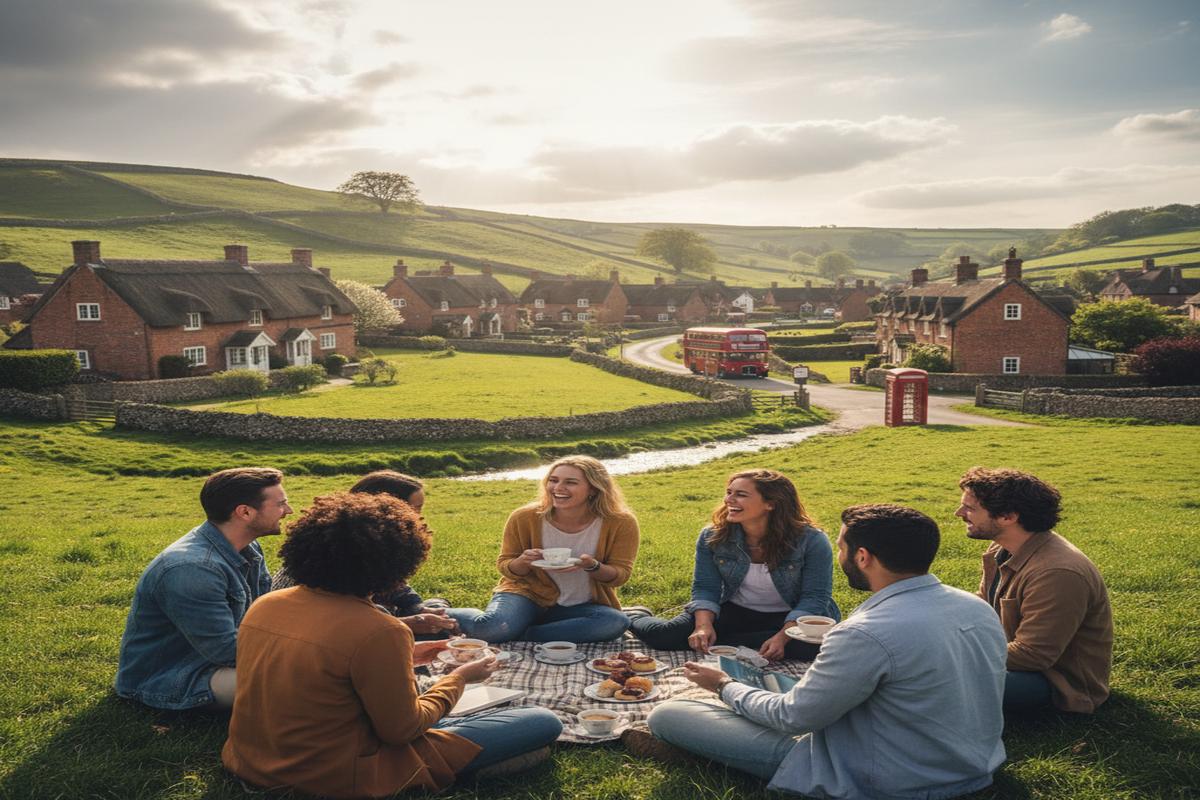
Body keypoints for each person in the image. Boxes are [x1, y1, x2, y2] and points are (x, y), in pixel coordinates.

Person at [643, 504, 1008, 800]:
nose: (839, 555)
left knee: (670, 714)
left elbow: (793, 718)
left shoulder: (864, 632)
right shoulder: (975, 607)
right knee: (777, 691)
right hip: (973, 765)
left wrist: (723, 685)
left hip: (884, 778)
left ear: (862, 557)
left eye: (842, 547)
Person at [222, 492, 562, 797]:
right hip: (336, 774)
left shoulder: (268, 604)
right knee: (541, 721)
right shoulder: (379, 629)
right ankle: (461, 769)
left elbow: (321, 666)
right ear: (397, 564)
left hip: (251, 760)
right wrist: (458, 679)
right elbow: (402, 731)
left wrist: (408, 656)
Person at [115, 467, 291, 710]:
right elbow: (227, 651)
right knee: (301, 681)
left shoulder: (247, 547)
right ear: (245, 512)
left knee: (318, 673)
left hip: (213, 659)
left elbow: (260, 617)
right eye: (281, 504)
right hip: (176, 675)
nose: (288, 511)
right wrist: (300, 655)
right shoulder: (193, 569)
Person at [630, 469, 839, 661]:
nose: (728, 499)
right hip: (735, 609)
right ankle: (633, 615)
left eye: (740, 494)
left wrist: (782, 637)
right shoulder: (712, 536)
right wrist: (703, 626)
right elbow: (706, 587)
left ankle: (733, 639)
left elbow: (815, 597)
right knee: (665, 636)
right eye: (729, 492)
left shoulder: (811, 540)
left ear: (771, 503)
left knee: (812, 648)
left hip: (791, 616)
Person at [957, 466, 1113, 713]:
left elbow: (1033, 654)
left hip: (1054, 682)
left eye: (970, 508)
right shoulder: (1001, 548)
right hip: (1014, 662)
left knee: (940, 680)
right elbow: (983, 606)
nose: (959, 513)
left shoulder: (1057, 573)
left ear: (1008, 517)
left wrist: (956, 653)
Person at [449, 455, 638, 643]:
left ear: (594, 489)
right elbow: (505, 565)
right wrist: (523, 562)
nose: (558, 488)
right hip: (526, 595)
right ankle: (437, 611)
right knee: (491, 629)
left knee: (615, 622)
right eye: (553, 480)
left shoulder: (620, 522)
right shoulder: (525, 517)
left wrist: (593, 566)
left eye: (570, 482)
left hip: (582, 604)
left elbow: (620, 575)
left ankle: (522, 633)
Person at [271, 470, 457, 637]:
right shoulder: (333, 556)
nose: (420, 517)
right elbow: (334, 626)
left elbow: (397, 588)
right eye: (414, 509)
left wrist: (417, 608)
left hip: (379, 620)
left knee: (450, 617)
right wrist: (405, 623)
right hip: (349, 633)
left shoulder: (374, 548)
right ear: (387, 509)